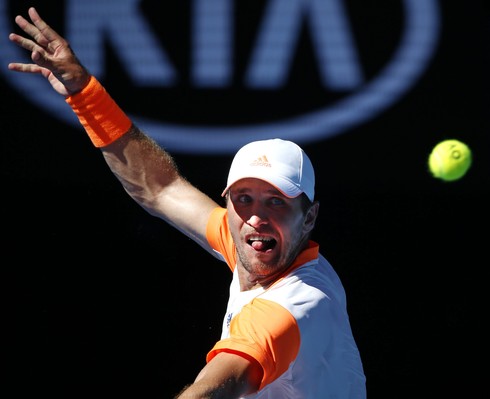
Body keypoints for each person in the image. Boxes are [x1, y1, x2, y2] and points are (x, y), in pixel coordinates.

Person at [8, 7, 366, 399]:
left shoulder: (298, 303)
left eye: (277, 202)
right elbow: (159, 188)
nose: (257, 218)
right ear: (229, 206)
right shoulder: (253, 242)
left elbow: (214, 388)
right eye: (244, 199)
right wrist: (86, 94)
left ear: (309, 217)